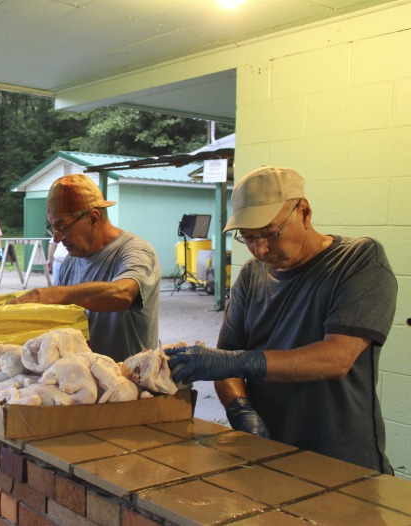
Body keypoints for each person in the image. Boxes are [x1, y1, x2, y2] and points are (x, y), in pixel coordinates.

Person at [166, 165, 397, 473]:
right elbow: (226, 363)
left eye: (270, 233)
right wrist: (239, 408)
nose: (260, 249)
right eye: (248, 237)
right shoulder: (251, 275)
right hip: (267, 448)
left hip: (341, 455)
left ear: (303, 212)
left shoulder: (358, 261)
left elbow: (337, 358)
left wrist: (236, 362)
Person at [9, 174, 161, 362]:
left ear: (93, 218)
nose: (56, 238)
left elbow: (123, 294)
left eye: (62, 226)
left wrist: (47, 295)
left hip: (131, 380)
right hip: (82, 379)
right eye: (52, 227)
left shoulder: (135, 251)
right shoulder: (70, 262)